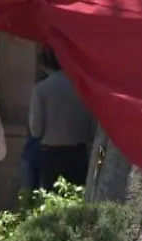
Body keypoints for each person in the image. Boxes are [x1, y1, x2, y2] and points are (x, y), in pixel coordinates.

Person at [28, 48, 95, 190]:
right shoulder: (81, 86)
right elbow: (92, 127)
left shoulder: (41, 89)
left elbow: (35, 130)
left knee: (51, 201)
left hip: (52, 154)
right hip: (78, 153)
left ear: (44, 65)